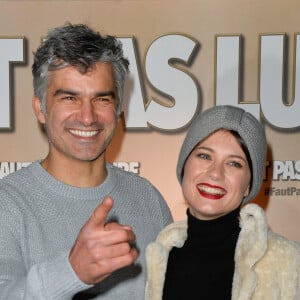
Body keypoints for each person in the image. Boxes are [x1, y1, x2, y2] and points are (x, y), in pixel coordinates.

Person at [0, 23, 172, 299]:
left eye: (101, 99)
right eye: (70, 98)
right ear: (40, 109)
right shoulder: (7, 203)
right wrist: (71, 272)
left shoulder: (148, 198)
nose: (88, 117)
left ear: (117, 110)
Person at [145, 105, 300, 300]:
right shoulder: (160, 256)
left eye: (234, 163)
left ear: (248, 185)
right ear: (184, 166)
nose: (215, 173)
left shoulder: (288, 262)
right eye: (204, 156)